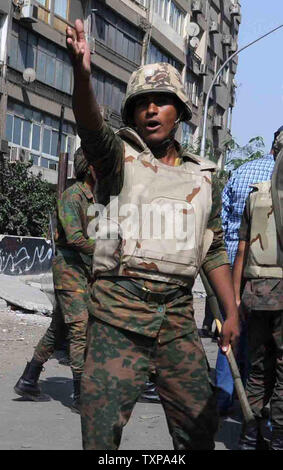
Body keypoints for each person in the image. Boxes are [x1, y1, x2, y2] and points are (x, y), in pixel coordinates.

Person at [66, 19, 239, 450]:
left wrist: (231, 312)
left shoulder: (202, 177)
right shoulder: (115, 158)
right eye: (143, 102)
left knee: (199, 429)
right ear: (131, 112)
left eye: (163, 102)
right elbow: (90, 125)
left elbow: (212, 248)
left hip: (177, 318)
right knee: (100, 435)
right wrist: (82, 77)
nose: (151, 110)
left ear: (179, 111)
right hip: (118, 317)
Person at [14, 148, 96, 412]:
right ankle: (79, 395)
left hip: (79, 270)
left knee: (59, 327)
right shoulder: (72, 196)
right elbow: (75, 238)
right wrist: (107, 249)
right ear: (90, 167)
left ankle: (29, 378)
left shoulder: (92, 197)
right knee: (79, 329)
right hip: (69, 270)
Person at [215, 130, 281, 415]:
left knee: (237, 339)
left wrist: (236, 296)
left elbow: (228, 227)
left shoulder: (249, 183)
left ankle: (227, 401)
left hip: (242, 277)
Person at [233, 131, 283, 450]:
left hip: (255, 292)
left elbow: (240, 251)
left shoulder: (256, 196)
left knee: (257, 364)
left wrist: (236, 298)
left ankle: (250, 431)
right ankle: (278, 432)